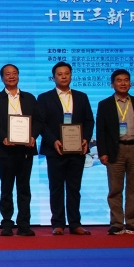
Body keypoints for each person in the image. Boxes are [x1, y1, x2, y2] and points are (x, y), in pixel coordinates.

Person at [0, 64, 42, 237]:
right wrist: (3, 137)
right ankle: (7, 223)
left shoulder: (29, 98)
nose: (11, 76)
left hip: (25, 150)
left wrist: (33, 136)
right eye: (7, 74)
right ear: (2, 78)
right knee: (6, 188)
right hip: (5, 150)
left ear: (19, 76)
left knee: (24, 188)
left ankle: (24, 224)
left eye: (14, 73)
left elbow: (39, 120)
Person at [37, 61, 94, 236]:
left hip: (77, 150)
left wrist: (85, 139)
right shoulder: (44, 98)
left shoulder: (81, 97)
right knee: (56, 188)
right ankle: (58, 223)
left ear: (71, 76)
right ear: (53, 77)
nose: (63, 77)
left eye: (66, 73)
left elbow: (89, 121)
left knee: (74, 188)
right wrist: (53, 140)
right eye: (60, 74)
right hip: (55, 149)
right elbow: (41, 123)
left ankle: (75, 223)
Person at [96, 69, 134, 235]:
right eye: (119, 80)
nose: (123, 83)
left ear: (130, 83)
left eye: (126, 80)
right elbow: (101, 131)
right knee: (115, 188)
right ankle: (117, 223)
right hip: (115, 150)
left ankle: (133, 222)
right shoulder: (105, 104)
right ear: (112, 84)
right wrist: (102, 152)